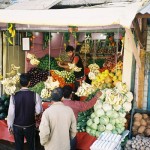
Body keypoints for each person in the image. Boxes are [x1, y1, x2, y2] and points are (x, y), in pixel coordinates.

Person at [7, 73, 43, 150]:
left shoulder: (13, 96)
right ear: (29, 82)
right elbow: (39, 110)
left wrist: (10, 126)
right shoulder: (35, 95)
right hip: (30, 125)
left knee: (18, 147)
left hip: (17, 126)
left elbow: (11, 113)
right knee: (31, 146)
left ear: (20, 83)